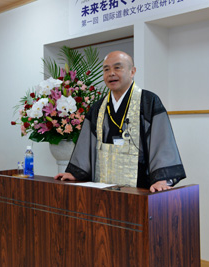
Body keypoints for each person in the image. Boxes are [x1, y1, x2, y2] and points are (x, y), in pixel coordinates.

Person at [54, 51, 186, 192]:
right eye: (106, 69)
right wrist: (75, 172)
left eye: (117, 67)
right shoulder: (98, 107)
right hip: (102, 187)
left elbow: (162, 141)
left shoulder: (148, 102)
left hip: (140, 188)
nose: (111, 73)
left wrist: (161, 178)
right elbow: (86, 144)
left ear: (132, 71)